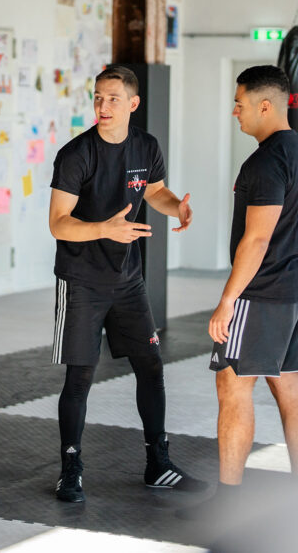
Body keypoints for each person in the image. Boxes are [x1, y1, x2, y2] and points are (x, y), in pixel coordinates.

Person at [47, 64, 204, 503]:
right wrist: (103, 229)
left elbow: (154, 191)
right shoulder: (76, 154)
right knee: (80, 377)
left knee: (151, 367)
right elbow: (58, 224)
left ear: (133, 104)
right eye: (98, 97)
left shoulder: (146, 146)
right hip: (81, 280)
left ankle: (159, 463)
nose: (103, 106)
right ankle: (70, 467)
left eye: (113, 98)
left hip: (127, 280)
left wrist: (177, 208)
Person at [201, 65, 298, 508]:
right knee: (288, 386)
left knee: (233, 386)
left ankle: (228, 501)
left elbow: (257, 238)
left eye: (240, 103)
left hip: (264, 292)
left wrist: (227, 301)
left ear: (265, 105)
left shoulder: (266, 161)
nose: (235, 112)